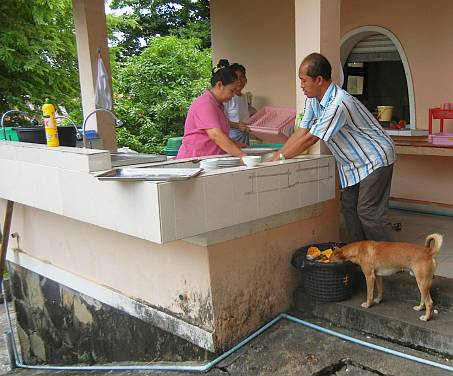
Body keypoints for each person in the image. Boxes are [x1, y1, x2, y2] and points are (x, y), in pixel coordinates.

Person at [270, 53, 395, 242]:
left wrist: (280, 159)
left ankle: (395, 262)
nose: (301, 86)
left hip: (374, 156)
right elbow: (301, 132)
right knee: (349, 207)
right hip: (354, 163)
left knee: (368, 212)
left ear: (319, 80)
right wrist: (276, 156)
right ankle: (361, 259)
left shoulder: (339, 103)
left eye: (303, 81)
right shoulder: (313, 100)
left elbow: (311, 139)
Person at [176, 60, 247, 159]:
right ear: (219, 85)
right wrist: (244, 156)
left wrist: (242, 147)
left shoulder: (218, 105)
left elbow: (222, 137)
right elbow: (216, 135)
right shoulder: (205, 104)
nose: (233, 94)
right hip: (195, 161)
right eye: (231, 90)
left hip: (209, 160)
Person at [224, 63, 251, 145]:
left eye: (242, 77)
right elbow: (221, 121)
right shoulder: (227, 98)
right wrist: (237, 126)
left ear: (246, 79)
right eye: (236, 78)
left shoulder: (245, 97)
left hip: (245, 135)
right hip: (231, 137)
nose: (239, 81)